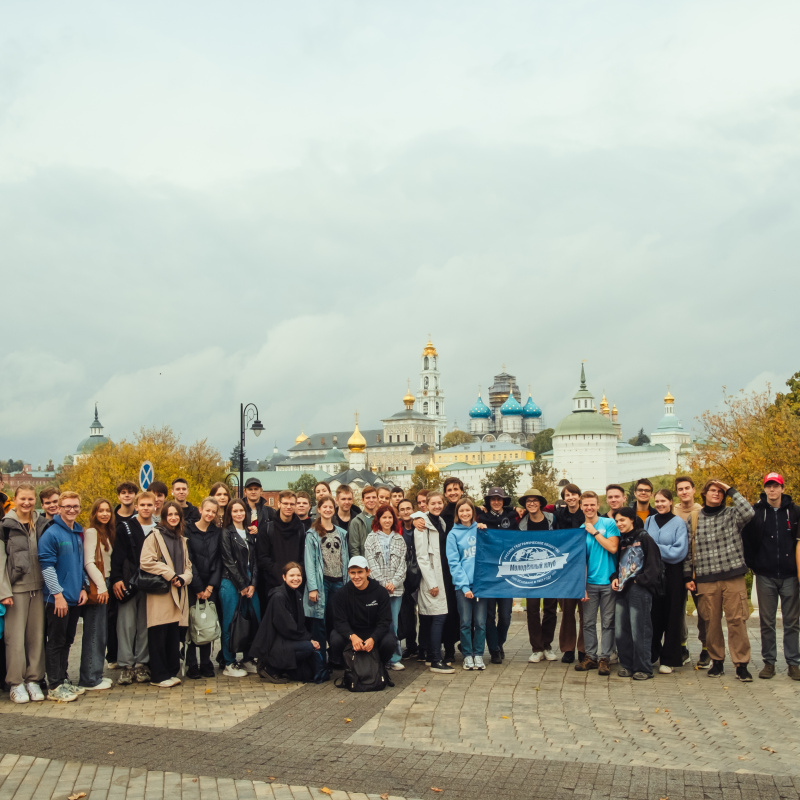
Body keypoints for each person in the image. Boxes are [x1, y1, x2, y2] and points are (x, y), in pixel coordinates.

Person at [684, 480, 755, 680]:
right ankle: (717, 662)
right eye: (712, 491)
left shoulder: (733, 514)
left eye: (720, 492)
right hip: (706, 578)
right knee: (710, 622)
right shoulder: (695, 518)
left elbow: (749, 511)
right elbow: (689, 550)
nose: (716, 494)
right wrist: (688, 575)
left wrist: (731, 489)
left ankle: (741, 664)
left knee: (737, 621)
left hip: (732, 575)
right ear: (704, 494)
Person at [742, 472, 800, 680]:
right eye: (769, 486)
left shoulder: (794, 512)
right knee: (767, 621)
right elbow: (746, 540)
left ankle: (794, 663)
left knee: (792, 621)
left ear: (783, 488)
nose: (772, 490)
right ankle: (769, 662)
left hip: (790, 575)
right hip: (765, 574)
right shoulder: (756, 512)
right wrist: (753, 564)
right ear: (765, 488)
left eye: (776, 486)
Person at [38, 491, 88, 701]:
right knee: (56, 642)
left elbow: (79, 564)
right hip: (56, 599)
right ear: (58, 508)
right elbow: (46, 566)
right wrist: (57, 594)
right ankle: (55, 685)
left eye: (75, 506)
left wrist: (83, 587)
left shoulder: (77, 531)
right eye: (67, 506)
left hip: (74, 597)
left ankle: (64, 679)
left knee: (67, 641)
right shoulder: (52, 533)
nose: (71, 510)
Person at [0, 485, 48, 703]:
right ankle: (16, 683)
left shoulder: (41, 523)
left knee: (36, 638)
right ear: (15, 499)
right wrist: (4, 592)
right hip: (16, 590)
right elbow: (1, 561)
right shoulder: (6, 525)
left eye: (30, 499)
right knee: (15, 640)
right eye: (23, 499)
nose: (27, 503)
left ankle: (33, 679)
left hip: (38, 589)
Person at [140, 501, 192, 688]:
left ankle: (170, 671)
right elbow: (146, 561)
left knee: (172, 632)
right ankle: (159, 675)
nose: (173, 518)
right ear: (163, 517)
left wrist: (184, 578)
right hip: (161, 592)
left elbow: (188, 565)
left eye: (176, 514)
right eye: (169, 515)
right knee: (158, 633)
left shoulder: (181, 539)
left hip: (178, 590)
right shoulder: (155, 536)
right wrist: (170, 574)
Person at [111, 491, 156, 686]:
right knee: (126, 625)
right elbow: (117, 556)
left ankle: (141, 663)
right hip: (129, 582)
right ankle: (126, 665)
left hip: (151, 584)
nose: (146, 508)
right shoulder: (126, 527)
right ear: (136, 506)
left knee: (145, 624)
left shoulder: (159, 528)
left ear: (156, 507)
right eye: (143, 505)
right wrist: (116, 579)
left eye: (149, 505)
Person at [612, 508, 662, 680]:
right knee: (621, 629)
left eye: (622, 520)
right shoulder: (622, 541)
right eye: (617, 521)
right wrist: (614, 578)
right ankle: (627, 664)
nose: (619, 524)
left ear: (632, 519)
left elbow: (654, 566)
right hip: (621, 589)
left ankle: (644, 668)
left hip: (639, 589)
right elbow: (617, 564)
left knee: (639, 628)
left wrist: (639, 580)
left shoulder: (644, 538)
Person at [254, 562, 324, 684]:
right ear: (284, 577)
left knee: (305, 674)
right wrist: (309, 640)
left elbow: (300, 624)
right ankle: (269, 667)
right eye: (292, 575)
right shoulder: (278, 597)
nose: (296, 579)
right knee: (308, 647)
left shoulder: (296, 594)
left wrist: (309, 638)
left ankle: (281, 668)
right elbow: (287, 627)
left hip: (286, 640)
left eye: (299, 575)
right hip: (274, 643)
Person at [575, 491, 619, 676]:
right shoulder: (580, 528)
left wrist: (594, 532)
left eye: (592, 504)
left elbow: (613, 547)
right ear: (581, 506)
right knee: (588, 623)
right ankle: (591, 656)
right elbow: (580, 561)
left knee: (608, 622)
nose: (589, 508)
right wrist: (581, 587)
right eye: (585, 505)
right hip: (590, 583)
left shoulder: (608, 523)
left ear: (598, 505)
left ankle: (605, 658)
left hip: (609, 581)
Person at [645, 489, 689, 674]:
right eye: (657, 501)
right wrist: (660, 549)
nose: (660, 504)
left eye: (663, 501)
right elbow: (642, 547)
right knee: (653, 614)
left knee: (672, 616)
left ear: (671, 502)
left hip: (673, 575)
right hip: (653, 574)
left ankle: (669, 658)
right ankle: (652, 653)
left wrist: (654, 548)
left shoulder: (679, 523)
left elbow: (678, 552)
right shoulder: (649, 521)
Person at [304, 494, 349, 667]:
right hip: (322, 584)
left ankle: (338, 659)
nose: (328, 509)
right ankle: (320, 662)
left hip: (339, 582)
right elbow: (309, 562)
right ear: (319, 509)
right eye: (325, 507)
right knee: (319, 623)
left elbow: (344, 559)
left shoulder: (341, 533)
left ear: (334, 509)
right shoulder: (312, 534)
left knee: (337, 622)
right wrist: (313, 588)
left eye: (331, 507)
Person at [329, 556, 397, 669]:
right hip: (352, 633)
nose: (356, 577)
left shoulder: (381, 593)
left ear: (368, 572)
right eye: (353, 573)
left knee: (390, 641)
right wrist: (352, 636)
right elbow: (339, 621)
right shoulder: (341, 594)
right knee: (335, 638)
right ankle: (347, 667)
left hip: (372, 632)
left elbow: (385, 621)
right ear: (348, 573)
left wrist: (373, 638)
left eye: (360, 572)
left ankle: (379, 666)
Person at [517, 486, 559, 664]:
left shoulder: (552, 520)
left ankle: (547, 645)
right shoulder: (521, 524)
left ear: (540, 504)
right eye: (528, 501)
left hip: (550, 569)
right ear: (525, 505)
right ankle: (537, 648)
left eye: (535, 501)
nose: (532, 504)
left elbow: (563, 537)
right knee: (532, 609)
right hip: (529, 573)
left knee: (550, 608)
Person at [477, 487, 519, 665]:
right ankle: (494, 649)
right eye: (493, 499)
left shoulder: (512, 517)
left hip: (506, 575)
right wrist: (477, 527)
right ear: (488, 501)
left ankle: (499, 643)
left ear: (504, 501)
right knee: (489, 616)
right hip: (488, 574)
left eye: (499, 499)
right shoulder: (481, 517)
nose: (496, 502)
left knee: (505, 615)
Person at [78, 499, 116, 691]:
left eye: (107, 510)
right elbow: (88, 562)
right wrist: (101, 586)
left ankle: (95, 674)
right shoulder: (92, 532)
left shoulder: (107, 532)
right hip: (98, 584)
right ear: (94, 513)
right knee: (94, 632)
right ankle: (89, 678)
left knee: (101, 631)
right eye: (100, 510)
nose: (104, 514)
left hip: (105, 582)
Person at [220, 498, 259, 678]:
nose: (238, 514)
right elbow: (228, 560)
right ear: (230, 513)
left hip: (249, 581)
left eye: (241, 510)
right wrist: (242, 585)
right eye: (234, 511)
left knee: (252, 619)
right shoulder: (226, 533)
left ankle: (248, 658)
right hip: (231, 581)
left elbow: (255, 561)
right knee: (231, 622)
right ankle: (229, 662)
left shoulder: (250, 533)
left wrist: (252, 584)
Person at [364, 504, 407, 671]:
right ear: (378, 519)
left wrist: (393, 583)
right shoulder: (371, 538)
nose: (387, 520)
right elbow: (371, 564)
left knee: (393, 625)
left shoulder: (399, 539)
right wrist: (383, 583)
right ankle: (378, 656)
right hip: (378, 590)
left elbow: (402, 565)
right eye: (384, 517)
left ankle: (394, 657)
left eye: (390, 517)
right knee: (378, 624)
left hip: (396, 590)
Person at [447, 497, 487, 670]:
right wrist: (464, 586)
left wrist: (485, 529)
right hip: (463, 587)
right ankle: (467, 655)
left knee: (480, 623)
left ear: (473, 512)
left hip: (481, 586)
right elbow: (454, 563)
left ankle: (478, 654)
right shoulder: (453, 534)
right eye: (461, 511)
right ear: (457, 513)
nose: (464, 513)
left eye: (468, 510)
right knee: (465, 622)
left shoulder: (480, 530)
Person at [184, 497, 222, 679]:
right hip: (192, 584)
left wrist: (210, 586)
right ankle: (192, 663)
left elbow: (218, 561)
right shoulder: (188, 531)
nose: (210, 514)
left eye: (213, 512)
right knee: (192, 623)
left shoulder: (217, 532)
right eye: (207, 510)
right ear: (200, 509)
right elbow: (188, 559)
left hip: (210, 586)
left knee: (207, 623)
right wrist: (198, 586)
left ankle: (206, 662)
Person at [412, 510, 453, 673]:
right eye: (433, 503)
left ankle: (431, 656)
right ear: (427, 506)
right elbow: (422, 557)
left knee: (435, 617)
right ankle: (436, 660)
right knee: (438, 617)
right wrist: (431, 583)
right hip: (431, 580)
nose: (437, 505)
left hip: (441, 576)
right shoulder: (421, 526)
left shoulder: (440, 522)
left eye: (439, 503)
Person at [674, 476, 707, 667]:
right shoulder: (673, 511)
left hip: (698, 568)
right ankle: (682, 646)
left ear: (694, 490)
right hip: (677, 568)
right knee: (677, 611)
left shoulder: (702, 512)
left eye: (687, 488)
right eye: (680, 489)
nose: (684, 492)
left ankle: (706, 648)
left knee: (704, 612)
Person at [256, 491, 306, 612]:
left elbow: (303, 556)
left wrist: (295, 576)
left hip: (295, 584)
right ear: (279, 504)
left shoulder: (300, 529)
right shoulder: (267, 528)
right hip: (272, 584)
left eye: (292, 504)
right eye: (285, 503)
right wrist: (279, 573)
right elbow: (262, 557)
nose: (288, 507)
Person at [554, 483, 585, 664]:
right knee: (567, 610)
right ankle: (567, 648)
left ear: (579, 496)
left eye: (573, 494)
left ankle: (582, 648)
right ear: (563, 498)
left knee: (584, 612)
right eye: (567, 495)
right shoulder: (559, 515)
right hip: (564, 568)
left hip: (583, 566)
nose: (571, 498)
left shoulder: (586, 515)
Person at [397, 498, 420, 660]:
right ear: (398, 512)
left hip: (420, 574)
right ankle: (410, 645)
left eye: (408, 508)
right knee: (406, 613)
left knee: (424, 613)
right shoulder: (396, 528)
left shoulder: (420, 526)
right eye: (402, 509)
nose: (406, 511)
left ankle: (422, 645)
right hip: (403, 576)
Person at [348, 486, 379, 558]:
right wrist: (361, 566)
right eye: (368, 498)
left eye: (374, 497)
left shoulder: (382, 519)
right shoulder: (356, 522)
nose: (371, 500)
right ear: (362, 500)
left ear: (377, 499)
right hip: (365, 564)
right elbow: (354, 549)